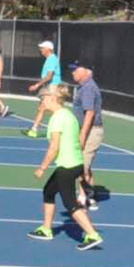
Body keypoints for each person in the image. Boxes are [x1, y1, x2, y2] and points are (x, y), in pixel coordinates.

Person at [29, 85, 104, 251]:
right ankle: (46, 229)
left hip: (67, 166)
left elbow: (54, 148)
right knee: (49, 191)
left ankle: (92, 235)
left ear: (53, 99)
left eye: (44, 98)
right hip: (75, 163)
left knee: (70, 203)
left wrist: (42, 168)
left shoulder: (57, 119)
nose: (42, 101)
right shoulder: (68, 115)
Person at [70, 62, 104, 210]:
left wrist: (82, 135)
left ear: (87, 72)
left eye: (76, 70)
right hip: (86, 130)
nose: (73, 73)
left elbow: (89, 113)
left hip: (90, 131)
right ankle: (90, 198)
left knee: (82, 166)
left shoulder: (88, 88)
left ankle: (83, 198)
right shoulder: (84, 87)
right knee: (85, 166)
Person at [25, 39, 61, 138]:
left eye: (42, 48)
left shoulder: (52, 59)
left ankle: (59, 130)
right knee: (42, 108)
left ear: (48, 49)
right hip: (48, 86)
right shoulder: (49, 59)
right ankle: (34, 129)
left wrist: (37, 85)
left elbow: (50, 76)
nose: (40, 50)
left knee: (53, 109)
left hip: (52, 86)